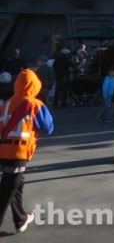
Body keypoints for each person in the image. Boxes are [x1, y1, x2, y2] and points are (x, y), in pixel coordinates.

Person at [0, 69, 54, 233]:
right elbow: (48, 128)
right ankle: (19, 220)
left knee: (16, 183)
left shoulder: (6, 104)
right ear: (34, 85)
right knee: (7, 189)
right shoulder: (35, 104)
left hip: (3, 151)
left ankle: (21, 219)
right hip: (20, 151)